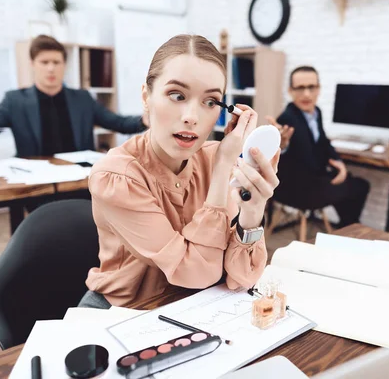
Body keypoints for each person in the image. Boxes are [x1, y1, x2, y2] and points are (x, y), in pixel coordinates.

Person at [78, 34, 280, 308]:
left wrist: (253, 212)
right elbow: (199, 272)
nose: (192, 117)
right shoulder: (116, 176)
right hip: (124, 311)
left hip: (192, 307)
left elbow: (242, 277)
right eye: (177, 95)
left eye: (210, 102)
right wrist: (222, 171)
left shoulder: (215, 157)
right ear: (146, 97)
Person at [0, 35, 148, 156]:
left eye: (56, 62)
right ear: (33, 64)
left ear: (64, 65)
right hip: (36, 184)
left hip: (79, 180)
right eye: (44, 62)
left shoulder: (82, 99)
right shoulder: (14, 101)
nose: (51, 68)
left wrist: (145, 119)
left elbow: (116, 122)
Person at [266, 66, 369, 228]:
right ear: (290, 91)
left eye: (311, 87)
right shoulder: (287, 118)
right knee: (360, 186)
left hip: (314, 180)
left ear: (318, 89)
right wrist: (282, 145)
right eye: (300, 88)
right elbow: (280, 152)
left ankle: (347, 226)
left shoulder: (316, 113)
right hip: (297, 189)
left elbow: (324, 143)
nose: (306, 94)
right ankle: (348, 228)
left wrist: (339, 163)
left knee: (350, 182)